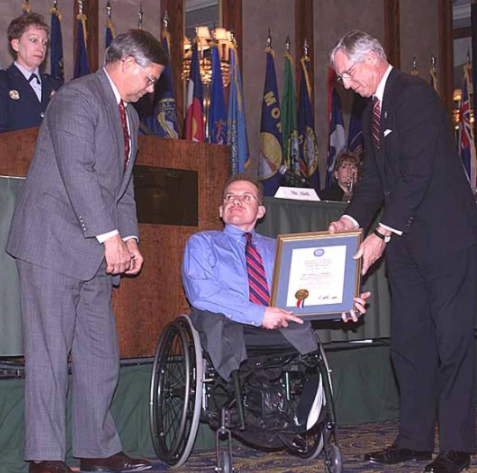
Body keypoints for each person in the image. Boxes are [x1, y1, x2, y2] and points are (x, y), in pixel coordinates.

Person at [6, 30, 168, 473]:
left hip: (95, 250)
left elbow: (120, 186)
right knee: (50, 355)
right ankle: (46, 457)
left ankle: (97, 450)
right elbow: (77, 172)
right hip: (52, 243)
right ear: (128, 64)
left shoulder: (129, 117)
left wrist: (129, 237)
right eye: (150, 79)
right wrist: (108, 235)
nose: (152, 89)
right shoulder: (77, 97)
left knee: (100, 353)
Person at [328, 30, 477, 473]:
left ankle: (457, 445)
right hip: (407, 247)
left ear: (372, 58)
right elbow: (374, 177)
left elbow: (416, 175)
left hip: (447, 240)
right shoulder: (371, 109)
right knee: (410, 343)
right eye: (340, 77)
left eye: (347, 74)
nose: (345, 84)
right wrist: (352, 222)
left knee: (453, 342)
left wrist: (380, 234)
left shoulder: (416, 96)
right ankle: (413, 440)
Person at [182, 173, 370, 383]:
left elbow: (303, 294)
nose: (236, 201)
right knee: (216, 322)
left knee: (301, 330)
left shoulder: (281, 249)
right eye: (229, 197)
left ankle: (306, 405)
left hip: (275, 324)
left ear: (261, 211)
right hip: (228, 322)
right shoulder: (202, 243)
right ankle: (246, 394)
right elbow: (201, 292)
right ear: (220, 210)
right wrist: (259, 313)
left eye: (246, 197)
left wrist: (342, 304)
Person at [0, 13, 62, 133]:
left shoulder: (56, 84)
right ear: (16, 45)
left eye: (44, 42)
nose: (41, 48)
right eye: (34, 40)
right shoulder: (3, 83)